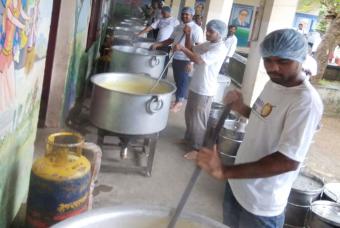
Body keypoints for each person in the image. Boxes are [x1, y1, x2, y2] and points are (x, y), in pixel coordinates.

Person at [190, 29, 324, 228]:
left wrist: (224, 171)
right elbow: (264, 118)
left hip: (261, 204)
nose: (273, 67)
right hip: (238, 185)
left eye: (283, 61)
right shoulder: (274, 83)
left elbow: (287, 161)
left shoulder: (305, 102)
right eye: (268, 60)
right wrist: (241, 108)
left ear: (301, 59)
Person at [173, 19, 228, 153]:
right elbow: (192, 49)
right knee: (189, 115)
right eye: (207, 30)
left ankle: (197, 149)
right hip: (196, 85)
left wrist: (182, 48)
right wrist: (187, 35)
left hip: (205, 89)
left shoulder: (220, 48)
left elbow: (197, 59)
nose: (207, 33)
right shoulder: (209, 44)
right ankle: (188, 139)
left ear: (219, 34)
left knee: (198, 120)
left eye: (211, 31)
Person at [151, 7, 204, 112]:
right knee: (178, 80)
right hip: (176, 56)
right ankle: (177, 100)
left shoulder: (197, 29)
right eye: (183, 14)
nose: (184, 16)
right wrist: (158, 44)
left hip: (186, 59)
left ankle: (179, 102)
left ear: (192, 16)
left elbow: (198, 48)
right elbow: (170, 40)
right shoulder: (179, 27)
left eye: (187, 14)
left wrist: (191, 63)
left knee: (183, 81)